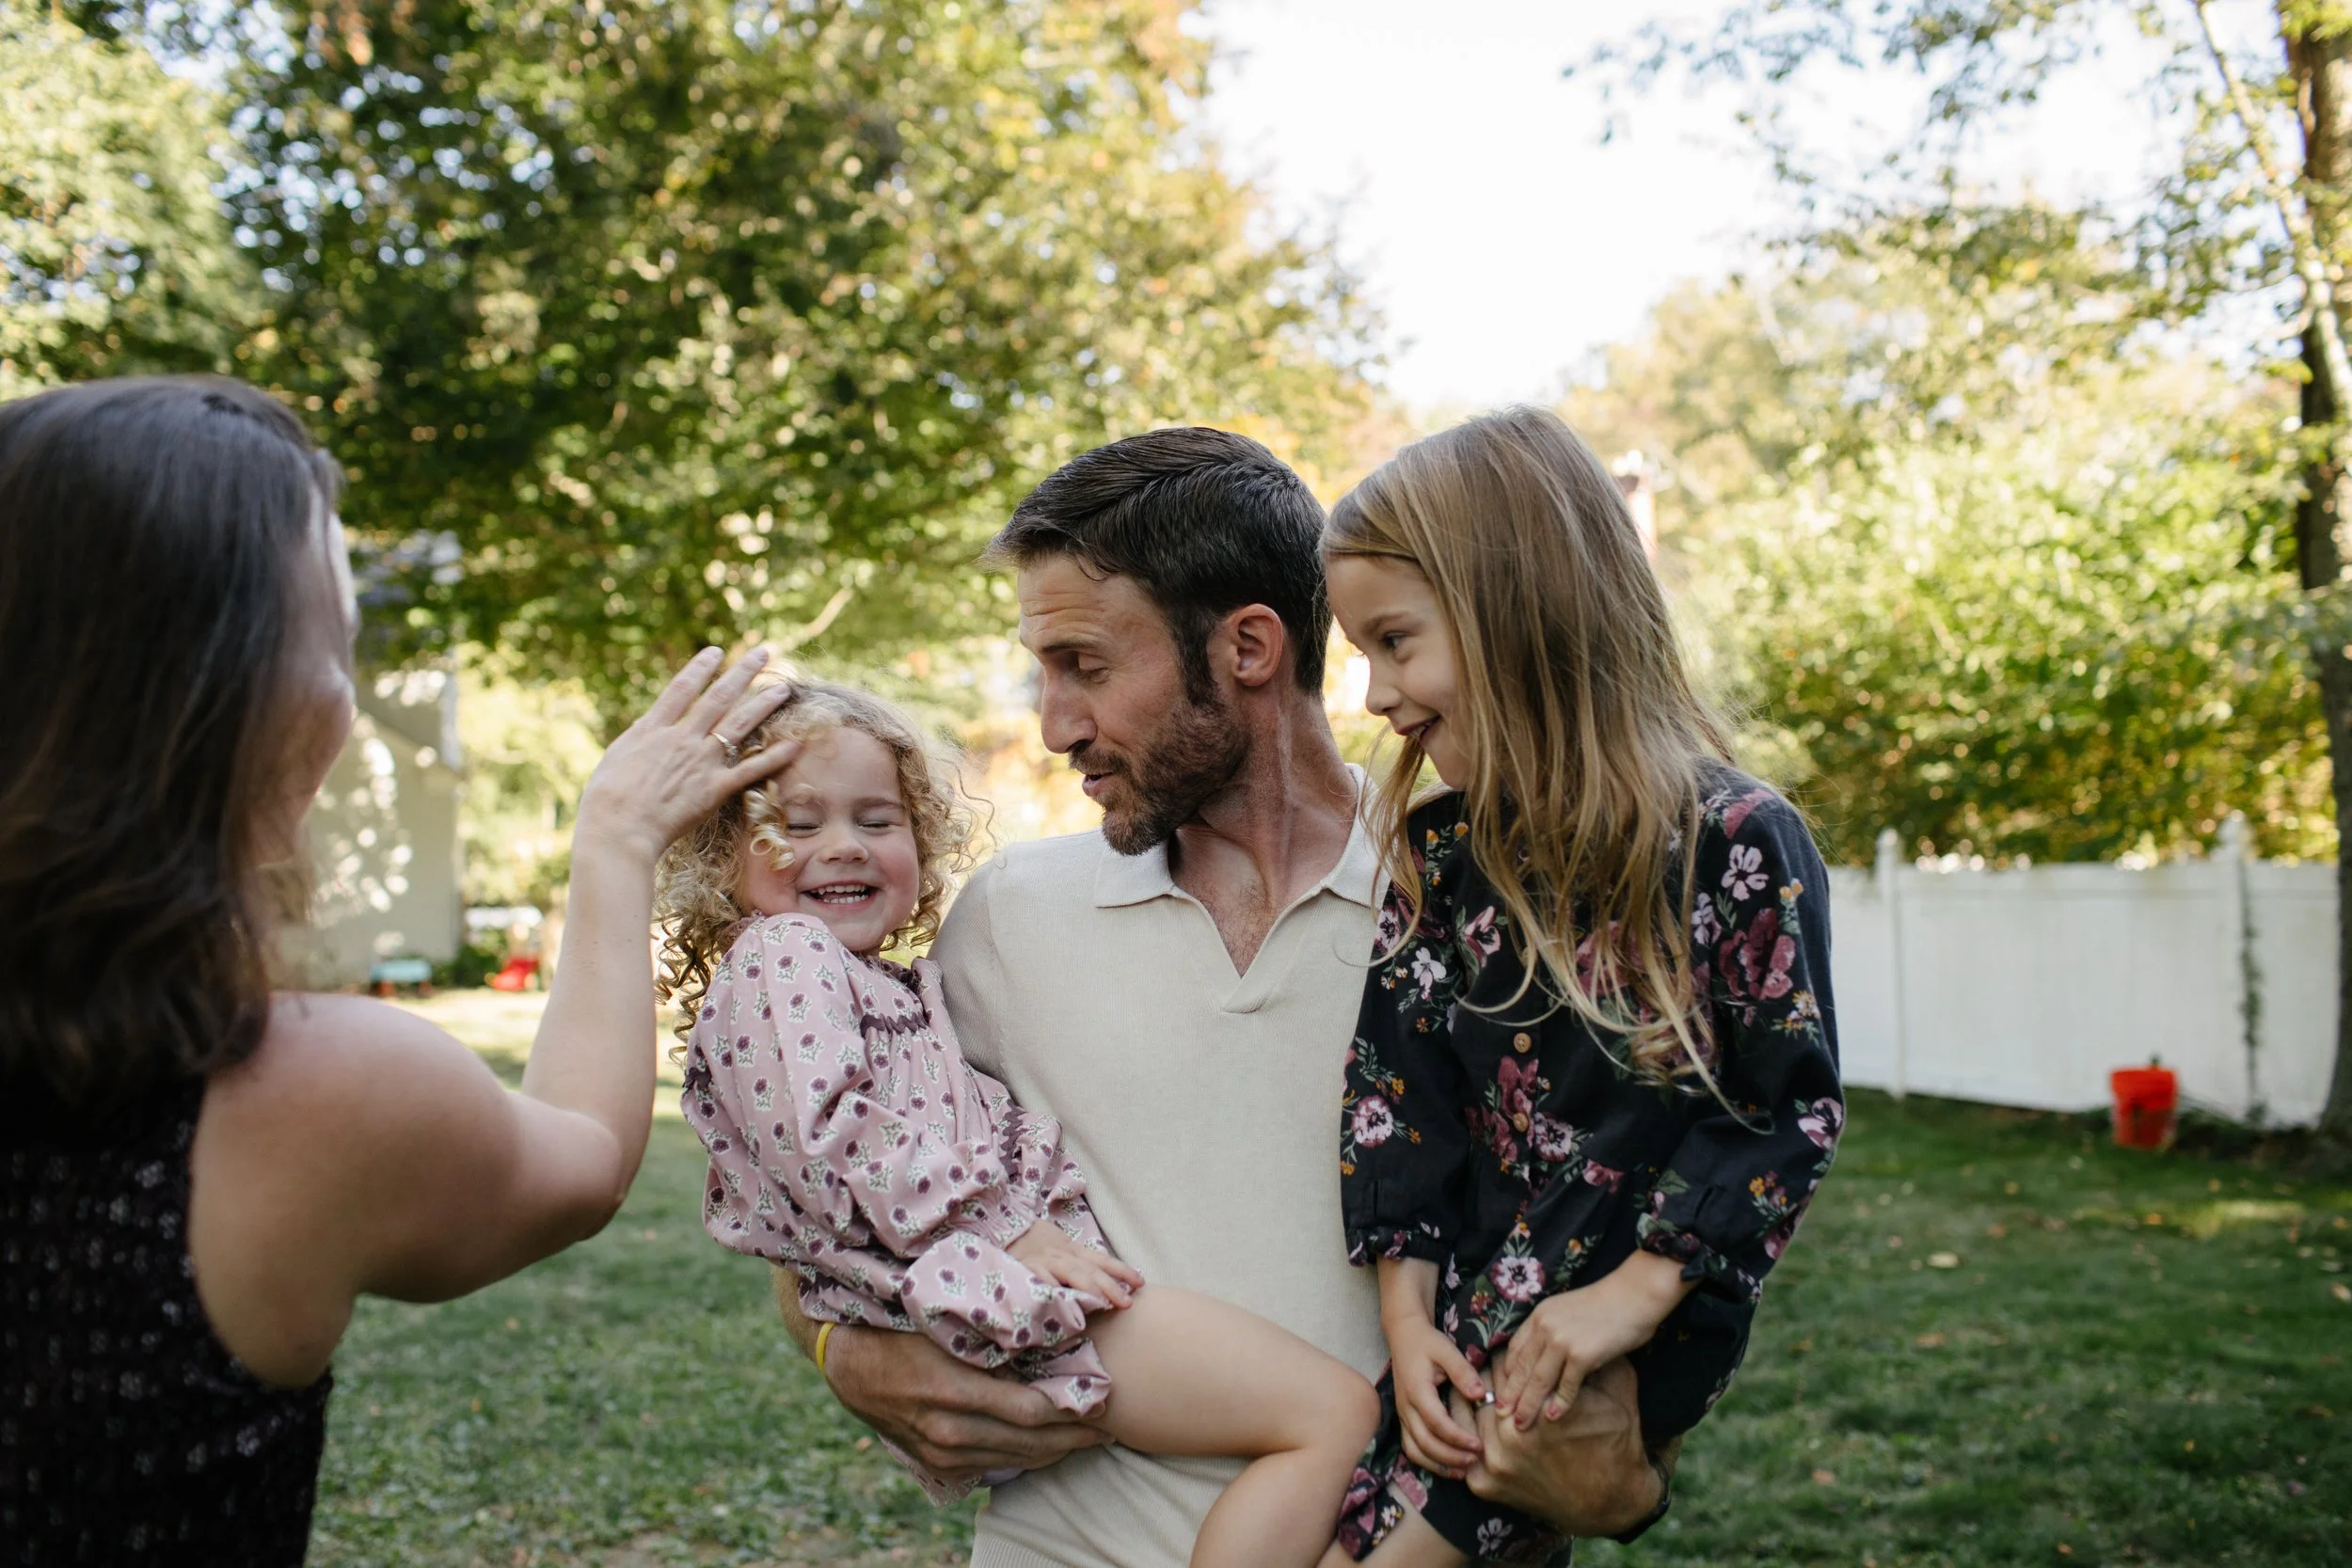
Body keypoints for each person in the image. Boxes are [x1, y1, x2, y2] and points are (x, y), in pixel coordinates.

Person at [768, 428, 1672, 1568]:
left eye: (1086, 665)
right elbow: (820, 1197)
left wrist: (1625, 1477)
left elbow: (1635, 1265)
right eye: (1041, 670)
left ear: (1246, 646)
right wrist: (837, 1349)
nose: (1054, 724)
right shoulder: (1007, 920)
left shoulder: (1497, 913)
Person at [0, 376, 798, 1562]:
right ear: (231, 696)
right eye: (335, 640)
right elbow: (578, 1161)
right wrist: (616, 840)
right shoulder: (303, 1091)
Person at [661, 679, 1380, 1566]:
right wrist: (1014, 1225)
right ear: (724, 852)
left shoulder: (878, 981)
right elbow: (829, 1144)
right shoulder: (787, 953)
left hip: (993, 1282)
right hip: (1012, 1293)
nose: (842, 846)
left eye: (878, 821)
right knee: (1334, 1415)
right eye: (798, 826)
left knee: (1318, 1420)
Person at [1319, 406, 1845, 1564]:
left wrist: (1641, 1289)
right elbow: (1393, 1104)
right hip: (1457, 1341)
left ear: (1518, 613)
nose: (1372, 694)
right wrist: (1406, 1324)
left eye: (1395, 641)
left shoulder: (1734, 841)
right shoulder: (1442, 860)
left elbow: (1784, 1105)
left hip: (1610, 1343)